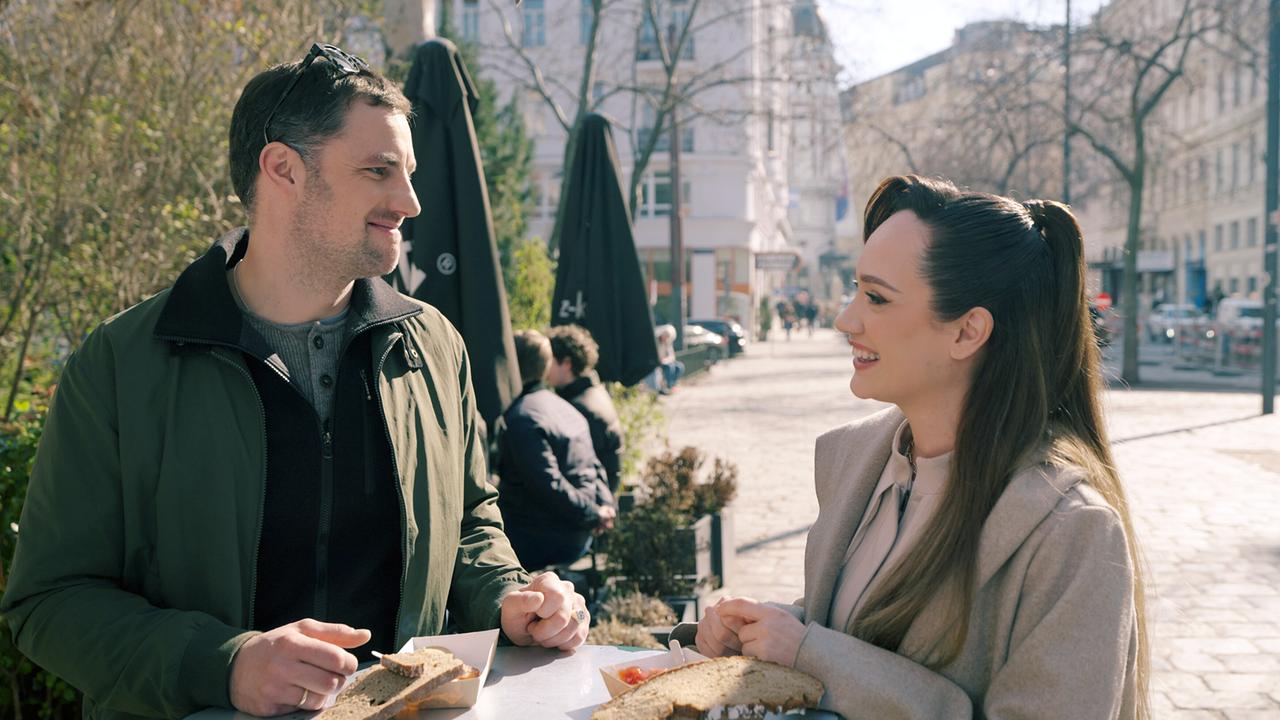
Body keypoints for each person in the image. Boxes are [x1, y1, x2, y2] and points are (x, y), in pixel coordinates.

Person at [1, 43, 589, 720]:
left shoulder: (434, 347)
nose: (410, 201)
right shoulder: (119, 364)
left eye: (410, 173)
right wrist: (224, 666)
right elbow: (49, 602)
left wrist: (512, 598)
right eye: (379, 171)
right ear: (282, 168)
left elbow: (470, 524)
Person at [686, 175, 1148, 718]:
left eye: (876, 297)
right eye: (855, 290)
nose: (845, 319)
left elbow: (842, 659)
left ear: (966, 332)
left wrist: (811, 655)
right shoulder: (860, 466)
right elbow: (864, 635)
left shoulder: (1072, 531)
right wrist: (761, 632)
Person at [497, 331, 617, 570]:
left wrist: (593, 513)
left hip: (541, 537)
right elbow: (594, 465)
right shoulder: (567, 407)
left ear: (511, 366)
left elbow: (546, 484)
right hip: (579, 534)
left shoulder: (521, 417)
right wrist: (603, 508)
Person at [546, 324, 625, 494]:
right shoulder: (593, 392)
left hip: (593, 504)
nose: (544, 367)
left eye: (549, 360)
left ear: (566, 363)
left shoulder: (579, 408)